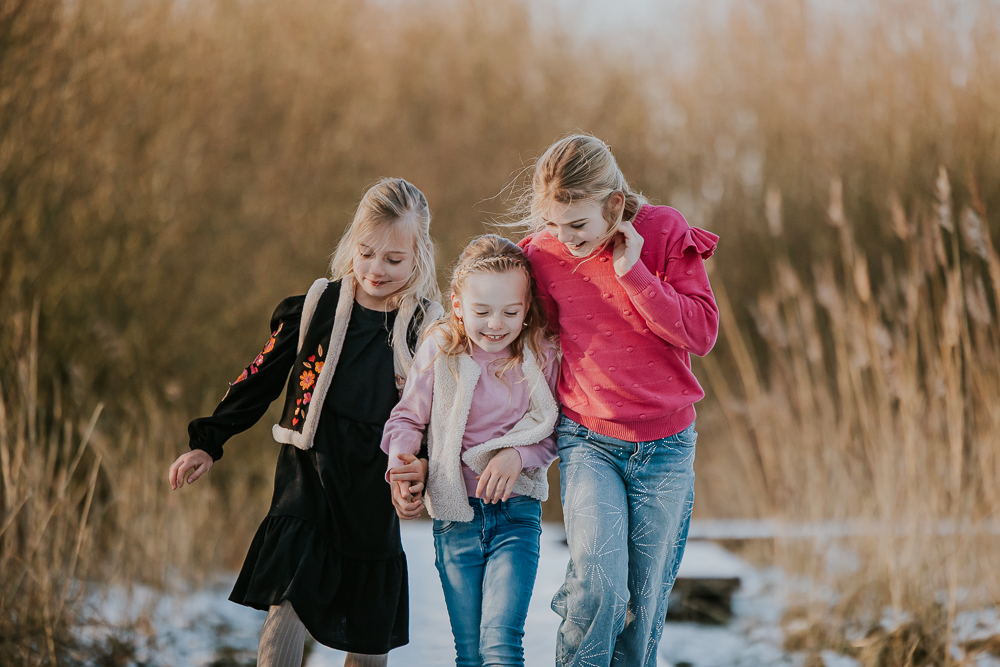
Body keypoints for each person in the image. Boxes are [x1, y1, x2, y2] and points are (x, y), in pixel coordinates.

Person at [166, 178, 444, 667]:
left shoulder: (428, 328)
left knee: (367, 639)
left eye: (394, 260)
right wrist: (207, 442)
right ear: (351, 246)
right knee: (287, 603)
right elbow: (258, 377)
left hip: (372, 489)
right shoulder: (316, 308)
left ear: (419, 256)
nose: (376, 269)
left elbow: (439, 414)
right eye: (366, 253)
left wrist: (422, 468)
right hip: (307, 477)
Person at [516, 134, 720, 667]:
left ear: (613, 204)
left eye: (577, 225)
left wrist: (634, 274)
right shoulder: (542, 254)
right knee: (598, 587)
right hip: (590, 442)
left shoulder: (664, 232)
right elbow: (504, 321)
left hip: (667, 448)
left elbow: (700, 332)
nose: (565, 237)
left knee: (644, 604)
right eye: (553, 224)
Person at [380, 234, 559, 667]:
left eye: (510, 312)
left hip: (517, 514)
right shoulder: (440, 350)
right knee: (471, 654)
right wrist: (402, 468)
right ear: (458, 305)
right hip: (455, 518)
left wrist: (519, 455)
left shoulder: (541, 354)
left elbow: (555, 430)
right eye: (482, 311)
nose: (495, 323)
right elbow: (406, 419)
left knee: (501, 645)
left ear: (527, 308)